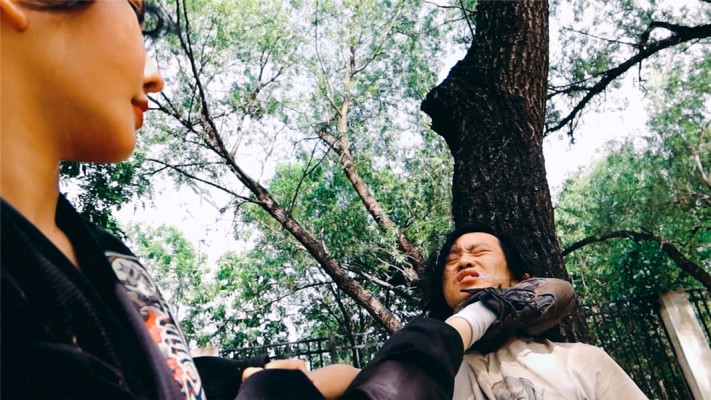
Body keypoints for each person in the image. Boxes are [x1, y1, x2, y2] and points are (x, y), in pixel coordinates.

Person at [0, 1, 507, 399]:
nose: (154, 76)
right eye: (137, 13)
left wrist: (243, 375)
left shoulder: (107, 255)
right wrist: (443, 336)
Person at [421, 223, 649, 400]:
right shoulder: (426, 372)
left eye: (479, 252)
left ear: (521, 281)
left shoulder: (583, 361)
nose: (463, 262)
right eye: (452, 259)